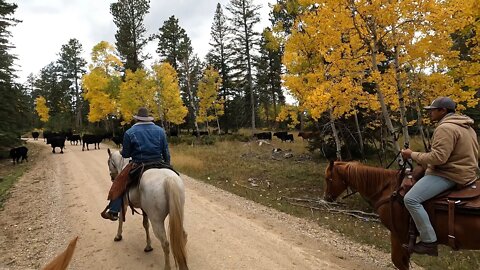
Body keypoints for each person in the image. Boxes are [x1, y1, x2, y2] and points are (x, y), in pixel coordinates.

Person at [401, 96, 479, 256]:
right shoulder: (467, 127)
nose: (430, 113)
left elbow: (438, 158)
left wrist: (412, 154)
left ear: (442, 110)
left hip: (449, 174)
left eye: (432, 110)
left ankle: (429, 241)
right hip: (467, 173)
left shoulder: (445, 128)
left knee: (411, 199)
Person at [101, 107, 171, 221]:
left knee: (119, 182)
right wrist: (168, 165)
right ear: (148, 118)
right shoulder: (160, 131)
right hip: (159, 162)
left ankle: (113, 211)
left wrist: (123, 151)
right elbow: (166, 152)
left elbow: (125, 154)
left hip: (139, 164)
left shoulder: (130, 132)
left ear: (137, 119)